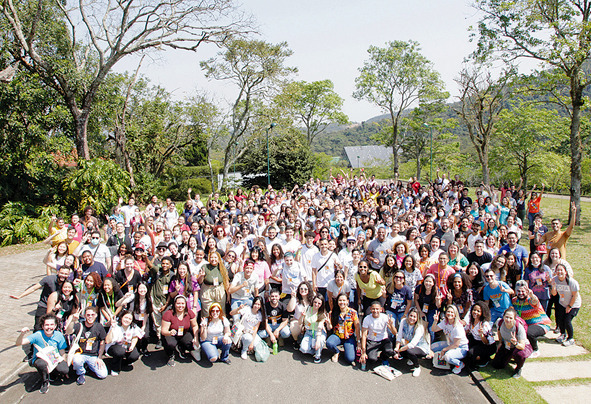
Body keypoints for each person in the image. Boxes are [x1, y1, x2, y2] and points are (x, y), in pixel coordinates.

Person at [16, 313, 68, 394]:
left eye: (51, 325)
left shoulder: (58, 335)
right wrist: (22, 334)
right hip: (41, 358)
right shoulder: (37, 335)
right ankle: (45, 381)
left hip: (53, 358)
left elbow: (62, 351)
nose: (49, 327)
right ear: (43, 326)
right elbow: (19, 343)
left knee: (64, 370)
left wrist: (64, 363)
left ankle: (53, 373)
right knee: (41, 364)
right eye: (46, 325)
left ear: (55, 326)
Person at [10, 266, 71, 331]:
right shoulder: (48, 279)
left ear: (69, 275)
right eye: (61, 273)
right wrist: (20, 296)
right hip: (44, 306)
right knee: (38, 328)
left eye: (65, 274)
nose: (63, 276)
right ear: (58, 272)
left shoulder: (67, 283)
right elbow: (34, 288)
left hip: (57, 309)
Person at [67, 306, 108, 385]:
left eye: (92, 315)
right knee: (77, 361)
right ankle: (81, 373)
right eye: (88, 315)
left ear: (96, 315)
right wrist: (73, 320)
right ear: (85, 316)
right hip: (80, 353)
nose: (90, 317)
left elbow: (102, 342)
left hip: (93, 355)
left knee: (103, 374)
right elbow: (68, 332)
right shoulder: (79, 325)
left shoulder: (99, 326)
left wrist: (100, 357)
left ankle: (89, 367)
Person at [512, 280, 552, 358]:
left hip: (541, 324)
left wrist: (532, 295)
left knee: (529, 333)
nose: (521, 293)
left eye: (523, 291)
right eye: (518, 291)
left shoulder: (530, 299)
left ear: (527, 291)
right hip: (527, 325)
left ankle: (535, 350)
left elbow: (535, 301)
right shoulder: (514, 301)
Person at [492, 307, 532, 379]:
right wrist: (500, 342)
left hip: (519, 346)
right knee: (497, 365)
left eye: (511, 318)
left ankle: (518, 368)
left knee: (520, 354)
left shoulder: (519, 327)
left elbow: (522, 346)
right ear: (503, 317)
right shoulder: (500, 322)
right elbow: (499, 332)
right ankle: (510, 357)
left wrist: (516, 343)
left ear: (514, 319)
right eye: (506, 317)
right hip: (508, 345)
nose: (508, 320)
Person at [161, 295, 200, 367]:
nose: (180, 306)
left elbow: (194, 326)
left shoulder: (189, 312)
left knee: (191, 344)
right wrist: (169, 332)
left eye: (182, 304)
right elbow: (163, 331)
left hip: (184, 333)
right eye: (178, 303)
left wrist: (196, 338)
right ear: (174, 304)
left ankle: (181, 347)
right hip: (171, 334)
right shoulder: (168, 314)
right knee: (171, 344)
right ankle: (170, 355)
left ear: (185, 304)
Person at [431, 305, 469, 374]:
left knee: (448, 357)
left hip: (461, 348)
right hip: (451, 344)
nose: (450, 314)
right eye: (448, 312)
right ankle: (448, 358)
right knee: (433, 347)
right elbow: (434, 329)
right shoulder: (445, 322)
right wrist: (435, 321)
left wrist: (444, 350)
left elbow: (456, 344)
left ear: (455, 314)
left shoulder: (457, 326)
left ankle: (459, 364)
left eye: (452, 312)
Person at [550, 264, 581, 346]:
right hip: (562, 303)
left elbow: (575, 295)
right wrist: (553, 286)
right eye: (558, 270)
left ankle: (570, 338)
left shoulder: (572, 282)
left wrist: (569, 306)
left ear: (565, 272)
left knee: (567, 321)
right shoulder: (555, 280)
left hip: (574, 304)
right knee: (560, 319)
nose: (559, 272)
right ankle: (563, 334)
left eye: (561, 270)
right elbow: (554, 294)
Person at [325, 292, 361, 366]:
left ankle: (348, 348)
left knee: (350, 359)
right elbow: (330, 328)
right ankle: (337, 352)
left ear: (347, 301)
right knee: (329, 343)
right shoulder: (333, 312)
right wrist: (328, 323)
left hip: (348, 337)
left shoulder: (353, 312)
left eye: (344, 300)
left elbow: (357, 327)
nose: (342, 302)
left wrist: (358, 341)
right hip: (337, 335)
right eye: (340, 300)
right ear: (337, 301)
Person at [394, 307, 430, 377]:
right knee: (395, 351)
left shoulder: (419, 327)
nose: (412, 318)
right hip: (409, 344)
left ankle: (417, 367)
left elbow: (412, 344)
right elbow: (399, 336)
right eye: (411, 315)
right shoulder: (403, 321)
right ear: (408, 315)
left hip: (420, 347)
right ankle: (411, 358)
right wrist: (396, 349)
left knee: (409, 351)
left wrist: (399, 350)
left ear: (417, 318)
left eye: (414, 317)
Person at [360, 302, 396, 369]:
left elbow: (394, 333)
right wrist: (363, 352)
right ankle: (370, 356)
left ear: (381, 309)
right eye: (373, 309)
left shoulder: (385, 317)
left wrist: (391, 325)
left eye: (377, 309)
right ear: (370, 309)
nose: (375, 311)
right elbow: (364, 335)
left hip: (383, 340)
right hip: (372, 341)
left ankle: (384, 358)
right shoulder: (367, 319)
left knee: (390, 351)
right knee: (372, 359)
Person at [105, 311, 142, 376]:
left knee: (135, 355)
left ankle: (125, 362)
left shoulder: (133, 326)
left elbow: (135, 336)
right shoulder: (116, 326)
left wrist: (132, 346)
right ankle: (115, 368)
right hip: (113, 346)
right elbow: (107, 341)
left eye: (130, 319)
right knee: (120, 351)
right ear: (122, 317)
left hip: (125, 345)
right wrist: (112, 328)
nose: (127, 320)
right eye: (126, 317)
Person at [229, 296, 264, 360]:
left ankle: (247, 346)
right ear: (253, 304)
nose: (257, 306)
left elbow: (256, 329)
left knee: (258, 346)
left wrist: (252, 343)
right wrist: (238, 308)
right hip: (242, 331)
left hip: (251, 332)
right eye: (255, 303)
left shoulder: (259, 315)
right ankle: (244, 350)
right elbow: (231, 313)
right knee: (248, 338)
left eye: (259, 304)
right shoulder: (247, 309)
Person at [463, 301, 496, 369]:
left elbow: (488, 343)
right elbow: (467, 331)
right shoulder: (471, 320)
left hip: (487, 345)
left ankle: (484, 359)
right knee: (464, 348)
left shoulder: (485, 324)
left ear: (482, 313)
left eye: (478, 311)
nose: (475, 312)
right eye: (474, 310)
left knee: (471, 354)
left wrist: (481, 335)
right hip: (476, 340)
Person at [298, 294, 328, 363]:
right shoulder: (308, 309)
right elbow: (300, 323)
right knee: (303, 349)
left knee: (319, 341)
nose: (316, 304)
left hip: (319, 333)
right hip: (308, 332)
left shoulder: (322, 313)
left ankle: (318, 355)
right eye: (315, 302)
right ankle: (314, 349)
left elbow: (320, 328)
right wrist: (302, 316)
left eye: (319, 303)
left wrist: (317, 341)